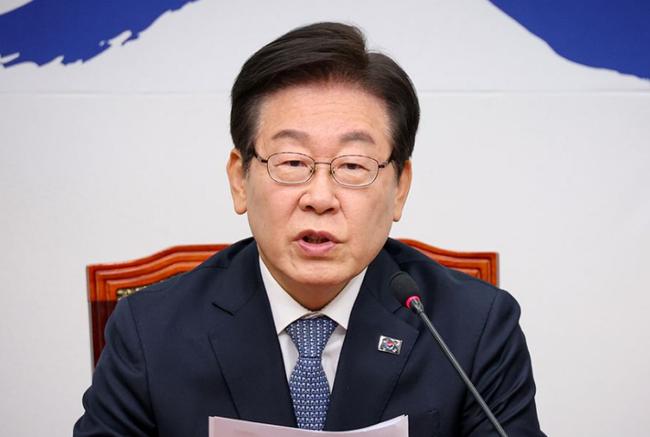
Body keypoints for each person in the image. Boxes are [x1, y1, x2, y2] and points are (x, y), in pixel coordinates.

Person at [74, 22, 545, 436]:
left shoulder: (473, 327)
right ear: (240, 180)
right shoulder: (150, 330)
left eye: (353, 165)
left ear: (399, 188)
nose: (320, 197)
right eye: (292, 162)